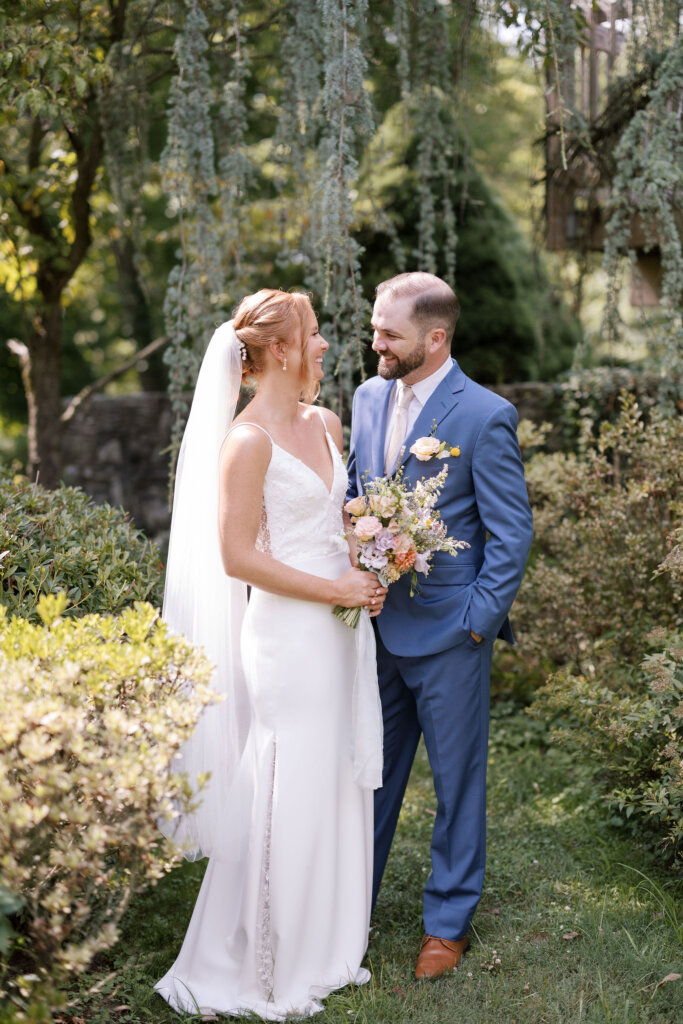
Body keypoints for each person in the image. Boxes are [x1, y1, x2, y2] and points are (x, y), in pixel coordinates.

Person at [155, 289, 386, 1019]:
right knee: (286, 774)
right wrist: (334, 590)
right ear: (279, 351)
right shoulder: (246, 441)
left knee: (331, 774)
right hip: (288, 634)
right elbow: (235, 556)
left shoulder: (325, 424)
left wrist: (374, 560)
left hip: (339, 629)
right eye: (313, 335)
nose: (324, 345)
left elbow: (333, 522)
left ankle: (326, 946)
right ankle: (264, 961)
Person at [347, 271, 534, 980]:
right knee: (368, 775)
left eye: (388, 334)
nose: (376, 343)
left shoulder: (483, 415)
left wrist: (477, 623)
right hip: (372, 628)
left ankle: (446, 924)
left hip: (451, 633)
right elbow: (358, 495)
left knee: (457, 785)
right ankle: (345, 905)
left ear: (434, 337)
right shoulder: (366, 398)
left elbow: (510, 534)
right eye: (373, 328)